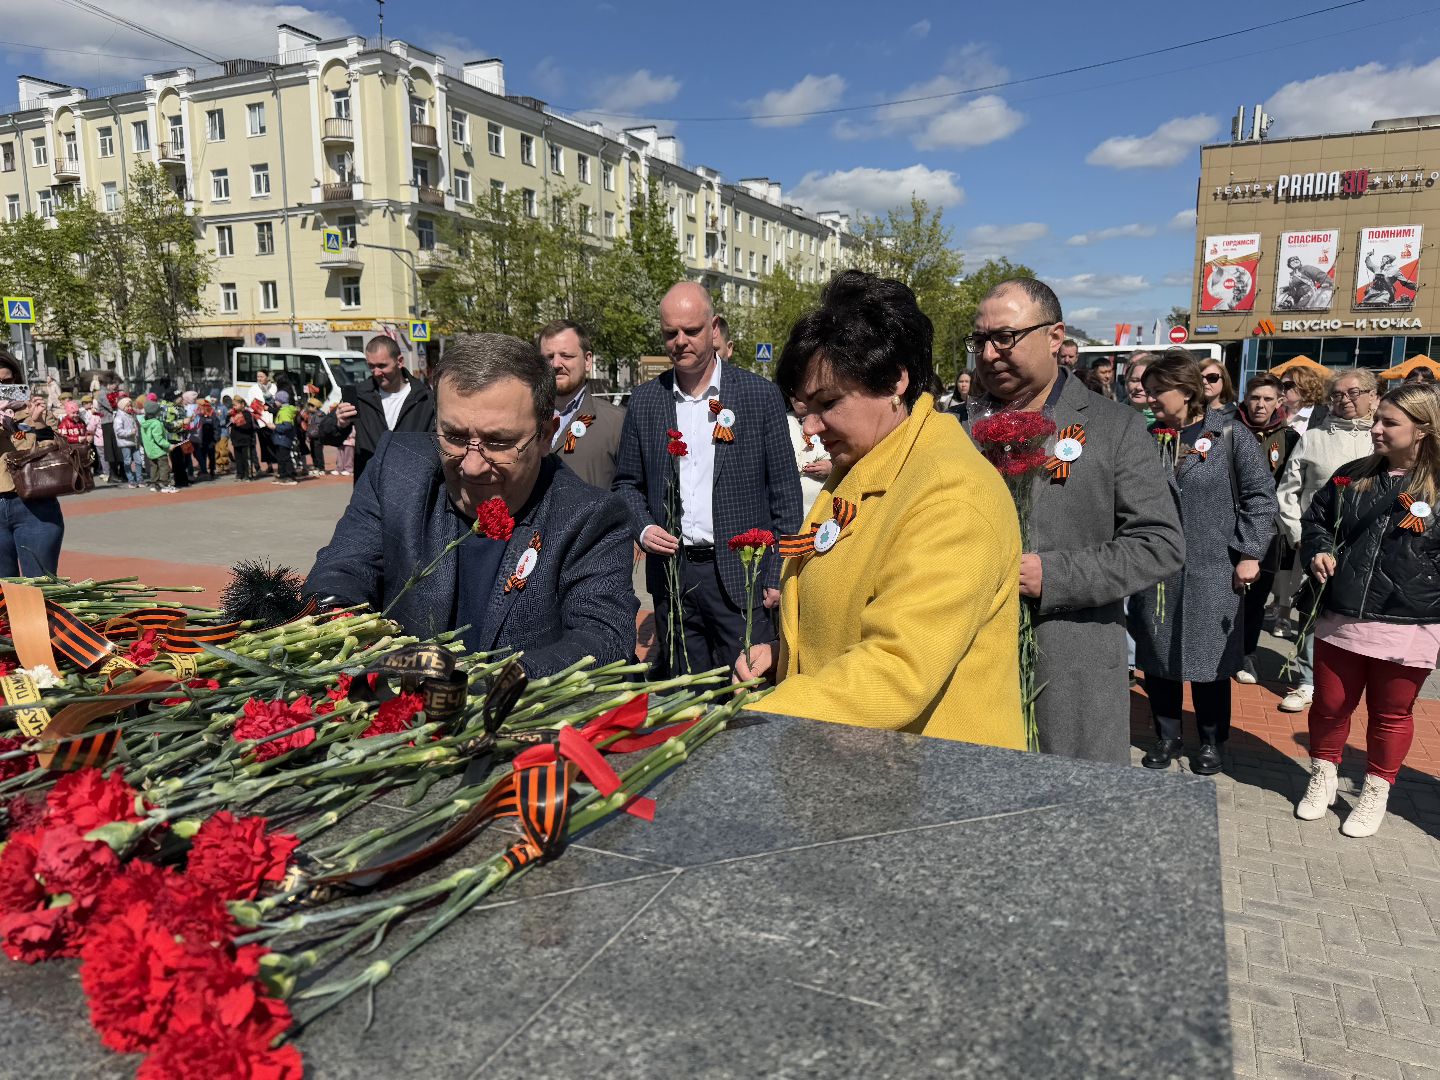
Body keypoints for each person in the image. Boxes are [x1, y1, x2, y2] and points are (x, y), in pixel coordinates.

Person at [735, 271, 1024, 747]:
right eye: (802, 408)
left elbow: (897, 666)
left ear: (894, 380)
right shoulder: (866, 462)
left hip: (937, 787)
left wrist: (754, 719)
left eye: (827, 403)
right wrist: (788, 656)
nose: (810, 427)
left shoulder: (953, 494)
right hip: (866, 765)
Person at [306, 333, 637, 677]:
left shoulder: (590, 517)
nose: (471, 465)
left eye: (498, 442)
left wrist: (479, 687)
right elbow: (339, 572)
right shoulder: (395, 469)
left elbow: (603, 643)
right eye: (455, 436)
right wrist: (343, 636)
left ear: (546, 436)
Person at [969, 279, 1185, 764]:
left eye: (1005, 337)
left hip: (1070, 669)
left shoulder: (1116, 427)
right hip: (971, 667)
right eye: (980, 340)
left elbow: (1160, 543)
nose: (989, 353)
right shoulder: (960, 431)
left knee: (1067, 820)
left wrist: (1055, 576)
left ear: (1054, 337)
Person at [612, 281, 803, 677]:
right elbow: (626, 483)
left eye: (691, 331)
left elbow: (784, 494)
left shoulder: (758, 395)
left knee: (746, 696)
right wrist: (643, 527)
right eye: (670, 333)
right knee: (685, 695)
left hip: (742, 580)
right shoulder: (646, 401)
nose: (680, 341)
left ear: (714, 328)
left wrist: (776, 574)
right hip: (673, 579)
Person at [1295, 383, 1440, 836]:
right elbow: (1316, 519)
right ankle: (1323, 775)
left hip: (1408, 619)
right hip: (1344, 611)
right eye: (1378, 419)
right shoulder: (1350, 474)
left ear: (1423, 430)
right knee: (1331, 704)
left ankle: (1377, 790)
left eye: (1389, 423)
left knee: (1390, 714)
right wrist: (1317, 549)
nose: (1375, 429)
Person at [1131, 351, 1278, 774]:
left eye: (1160, 390)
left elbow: (1260, 498)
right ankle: (1167, 736)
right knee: (1158, 657)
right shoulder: (1150, 438)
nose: (1150, 396)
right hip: (1157, 569)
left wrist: (1250, 553)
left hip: (1213, 565)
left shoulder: (1229, 435)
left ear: (1187, 390)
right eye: (1148, 389)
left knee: (1211, 661)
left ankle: (1212, 740)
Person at [1274, 367, 1379, 712]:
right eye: (1337, 394)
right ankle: (1306, 680)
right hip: (1316, 539)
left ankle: (1351, 685)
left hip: (1367, 542)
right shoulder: (1314, 437)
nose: (1345, 400)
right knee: (1312, 609)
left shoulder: (1382, 438)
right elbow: (1288, 490)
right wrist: (1298, 535)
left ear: (1374, 396)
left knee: (1360, 615)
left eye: (1354, 392)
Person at [1233, 374, 1300, 685]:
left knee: (1256, 596)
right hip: (1227, 526)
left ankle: (1247, 652)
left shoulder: (1289, 438)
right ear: (1246, 398)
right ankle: (1218, 651)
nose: (1260, 404)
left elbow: (1290, 487)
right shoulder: (1227, 428)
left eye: (1267, 399)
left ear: (1279, 402)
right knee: (1223, 593)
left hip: (1268, 531)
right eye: (1255, 397)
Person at [316, 336, 435, 482]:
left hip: (412, 488)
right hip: (369, 490)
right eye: (371, 366)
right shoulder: (359, 395)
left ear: (400, 361)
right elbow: (324, 435)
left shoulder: (425, 398)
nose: (376, 372)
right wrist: (338, 423)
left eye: (382, 365)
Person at [540, 319, 624, 490]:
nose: (556, 364)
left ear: (587, 361)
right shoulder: (524, 419)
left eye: (566, 356)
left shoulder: (618, 422)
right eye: (549, 357)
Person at [0, 356, 64, 575]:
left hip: (34, 506)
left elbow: (54, 453)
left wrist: (37, 424)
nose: (1, 389)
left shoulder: (34, 410)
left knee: (39, 589)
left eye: (6, 382)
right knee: (3, 593)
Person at [785, 398, 831, 511]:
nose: (805, 401)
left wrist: (831, 468)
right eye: (799, 398)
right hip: (788, 507)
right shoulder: (782, 421)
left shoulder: (830, 420)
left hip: (821, 503)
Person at [1281, 366, 1332, 435]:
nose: (1281, 389)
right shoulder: (1274, 411)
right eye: (1280, 385)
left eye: (1287, 385)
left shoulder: (1324, 416)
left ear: (1305, 387)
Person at [141, 400, 177, 493]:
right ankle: (164, 485)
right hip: (159, 450)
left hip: (150, 451)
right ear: (156, 412)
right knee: (164, 467)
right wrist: (169, 445)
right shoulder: (156, 423)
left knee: (154, 467)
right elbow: (159, 439)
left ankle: (154, 484)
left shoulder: (144, 423)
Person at [112, 397, 144, 487]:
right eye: (127, 406)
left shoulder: (131, 415)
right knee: (127, 462)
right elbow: (118, 432)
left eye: (130, 406)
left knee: (139, 461)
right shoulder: (119, 417)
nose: (130, 408)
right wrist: (130, 432)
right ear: (122, 407)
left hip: (134, 442)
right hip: (125, 443)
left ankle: (140, 479)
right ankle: (131, 480)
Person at [1123, 352, 1155, 422]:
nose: (1138, 387)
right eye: (1134, 380)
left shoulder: (1169, 422)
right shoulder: (1114, 413)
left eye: (1145, 381)